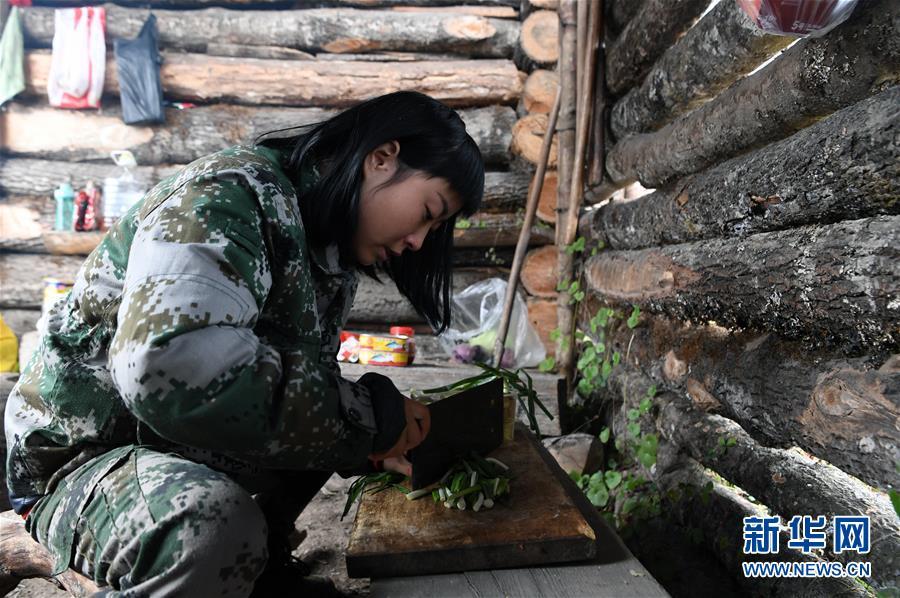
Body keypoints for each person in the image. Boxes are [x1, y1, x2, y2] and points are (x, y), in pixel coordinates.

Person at [3, 91, 485, 596]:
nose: (419, 242)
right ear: (381, 158)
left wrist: (369, 445)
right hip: (84, 463)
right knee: (213, 527)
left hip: (174, 452)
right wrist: (365, 417)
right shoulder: (227, 193)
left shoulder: (326, 251)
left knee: (314, 436)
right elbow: (166, 363)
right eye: (429, 211)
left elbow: (287, 383)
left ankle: (259, 568)